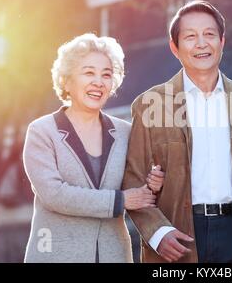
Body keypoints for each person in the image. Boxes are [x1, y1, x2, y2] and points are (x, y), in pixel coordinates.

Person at [122, 0, 232, 263]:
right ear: (174, 47)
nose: (201, 43)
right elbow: (133, 179)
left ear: (222, 42)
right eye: (190, 37)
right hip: (177, 238)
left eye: (209, 34)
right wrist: (158, 233)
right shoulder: (149, 105)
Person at [23, 33, 164, 263]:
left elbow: (138, 191)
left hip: (114, 255)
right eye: (89, 72)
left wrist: (153, 184)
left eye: (106, 75)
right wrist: (120, 201)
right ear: (67, 81)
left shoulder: (126, 132)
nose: (99, 82)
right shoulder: (42, 131)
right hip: (55, 255)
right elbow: (54, 195)